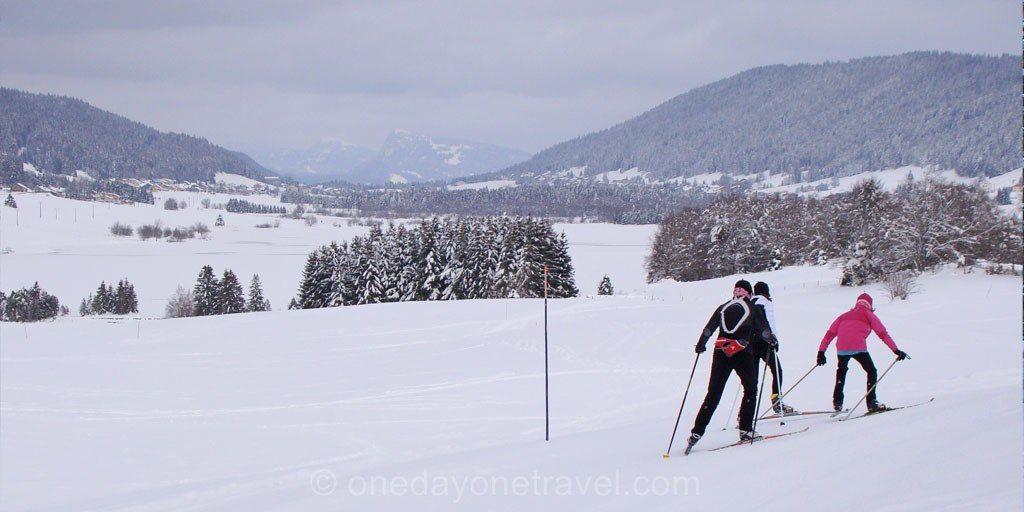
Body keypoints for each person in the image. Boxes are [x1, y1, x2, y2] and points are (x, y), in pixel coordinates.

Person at [686, 280, 777, 451]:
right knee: (750, 389)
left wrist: (701, 344)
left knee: (713, 394)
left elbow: (708, 329)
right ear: (749, 293)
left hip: (720, 351)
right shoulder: (753, 308)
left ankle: (696, 433)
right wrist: (772, 341)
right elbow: (763, 330)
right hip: (742, 351)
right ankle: (745, 430)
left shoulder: (723, 307)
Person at [817, 293, 909, 413]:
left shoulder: (843, 316)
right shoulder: (869, 314)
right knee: (871, 371)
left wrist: (821, 352)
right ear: (870, 305)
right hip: (858, 348)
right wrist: (896, 350)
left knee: (841, 371)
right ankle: (871, 403)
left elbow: (829, 334)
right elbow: (882, 334)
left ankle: (837, 402)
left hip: (842, 348)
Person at [751, 281, 794, 414]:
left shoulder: (749, 302)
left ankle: (746, 409)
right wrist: (774, 340)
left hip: (750, 343)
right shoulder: (765, 302)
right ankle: (776, 402)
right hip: (764, 343)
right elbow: (769, 322)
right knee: (777, 370)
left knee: (752, 377)